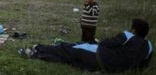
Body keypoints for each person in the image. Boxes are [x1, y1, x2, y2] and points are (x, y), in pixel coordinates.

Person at [19, 18, 153, 73]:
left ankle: (37, 47)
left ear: (134, 30)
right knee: (68, 60)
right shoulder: (149, 47)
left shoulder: (127, 36)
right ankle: (37, 55)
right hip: (109, 69)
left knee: (67, 48)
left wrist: (99, 43)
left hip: (99, 57)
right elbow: (141, 67)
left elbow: (106, 43)